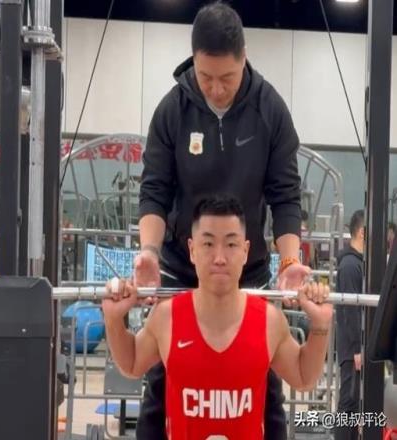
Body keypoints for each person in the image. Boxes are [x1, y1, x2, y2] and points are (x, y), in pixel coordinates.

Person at [136, 2, 309, 438]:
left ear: (244, 58)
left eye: (226, 78)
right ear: (193, 61)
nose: (216, 89)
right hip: (182, 266)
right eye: (206, 76)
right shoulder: (172, 110)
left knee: (264, 382)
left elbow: (286, 195)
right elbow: (154, 190)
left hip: (246, 269)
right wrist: (149, 252)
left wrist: (290, 263)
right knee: (161, 381)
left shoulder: (271, 110)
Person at [104, 195, 332, 439]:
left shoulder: (269, 320)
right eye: (208, 244)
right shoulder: (167, 316)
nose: (220, 258)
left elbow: (303, 377)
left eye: (231, 244)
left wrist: (320, 325)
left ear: (245, 251)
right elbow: (132, 363)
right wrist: (114, 320)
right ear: (192, 250)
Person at [334, 209, 364, 440]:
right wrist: (357, 348)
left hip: (355, 346)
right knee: (348, 402)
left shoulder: (357, 263)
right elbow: (350, 310)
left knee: (354, 403)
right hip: (351, 348)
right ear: (363, 232)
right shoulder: (350, 266)